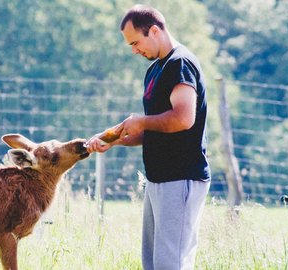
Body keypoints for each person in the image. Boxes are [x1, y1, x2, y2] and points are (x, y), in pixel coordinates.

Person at [86, 4, 211, 270]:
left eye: (135, 42)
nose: (134, 50)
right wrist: (115, 139)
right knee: (153, 263)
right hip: (159, 178)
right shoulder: (155, 69)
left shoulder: (180, 63)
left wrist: (140, 121)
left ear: (154, 30)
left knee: (171, 263)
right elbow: (157, 128)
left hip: (181, 177)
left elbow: (182, 118)